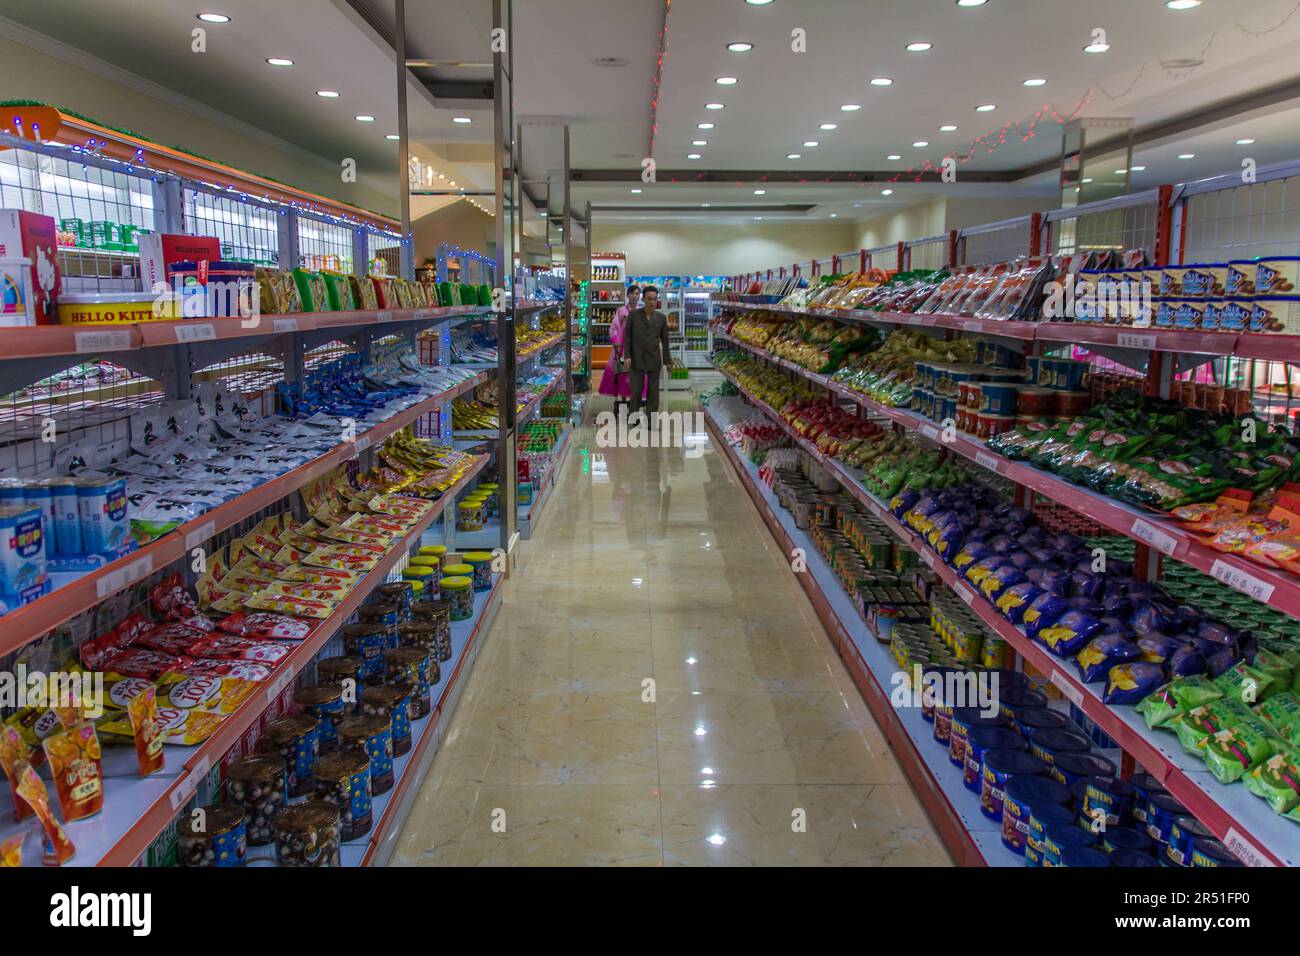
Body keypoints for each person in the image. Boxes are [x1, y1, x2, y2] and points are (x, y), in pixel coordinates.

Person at [623, 284, 672, 421]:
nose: (652, 302)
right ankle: (633, 418)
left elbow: (665, 341)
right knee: (636, 391)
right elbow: (627, 337)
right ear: (643, 299)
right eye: (649, 299)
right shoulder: (633, 316)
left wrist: (667, 361)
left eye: (654, 299)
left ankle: (652, 420)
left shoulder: (661, 318)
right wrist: (627, 356)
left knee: (653, 392)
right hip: (636, 358)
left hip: (654, 359)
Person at [597, 285, 644, 412]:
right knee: (623, 374)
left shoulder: (642, 312)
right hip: (623, 347)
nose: (635, 296)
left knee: (638, 374)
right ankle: (623, 401)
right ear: (628, 295)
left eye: (637, 294)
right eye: (632, 293)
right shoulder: (621, 311)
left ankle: (636, 400)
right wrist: (617, 343)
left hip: (638, 348)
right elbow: (613, 328)